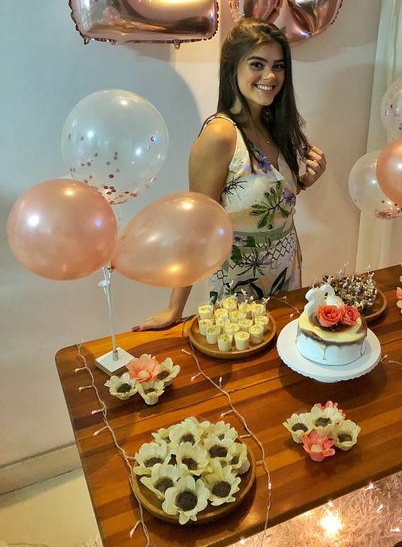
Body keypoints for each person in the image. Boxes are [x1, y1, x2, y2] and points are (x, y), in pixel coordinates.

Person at [132, 17, 326, 331]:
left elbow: (263, 201)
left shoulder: (275, 126)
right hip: (240, 282)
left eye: (278, 66)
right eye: (257, 64)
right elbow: (197, 227)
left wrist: (304, 182)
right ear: (232, 68)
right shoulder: (221, 136)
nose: (270, 76)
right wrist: (173, 309)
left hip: (287, 271)